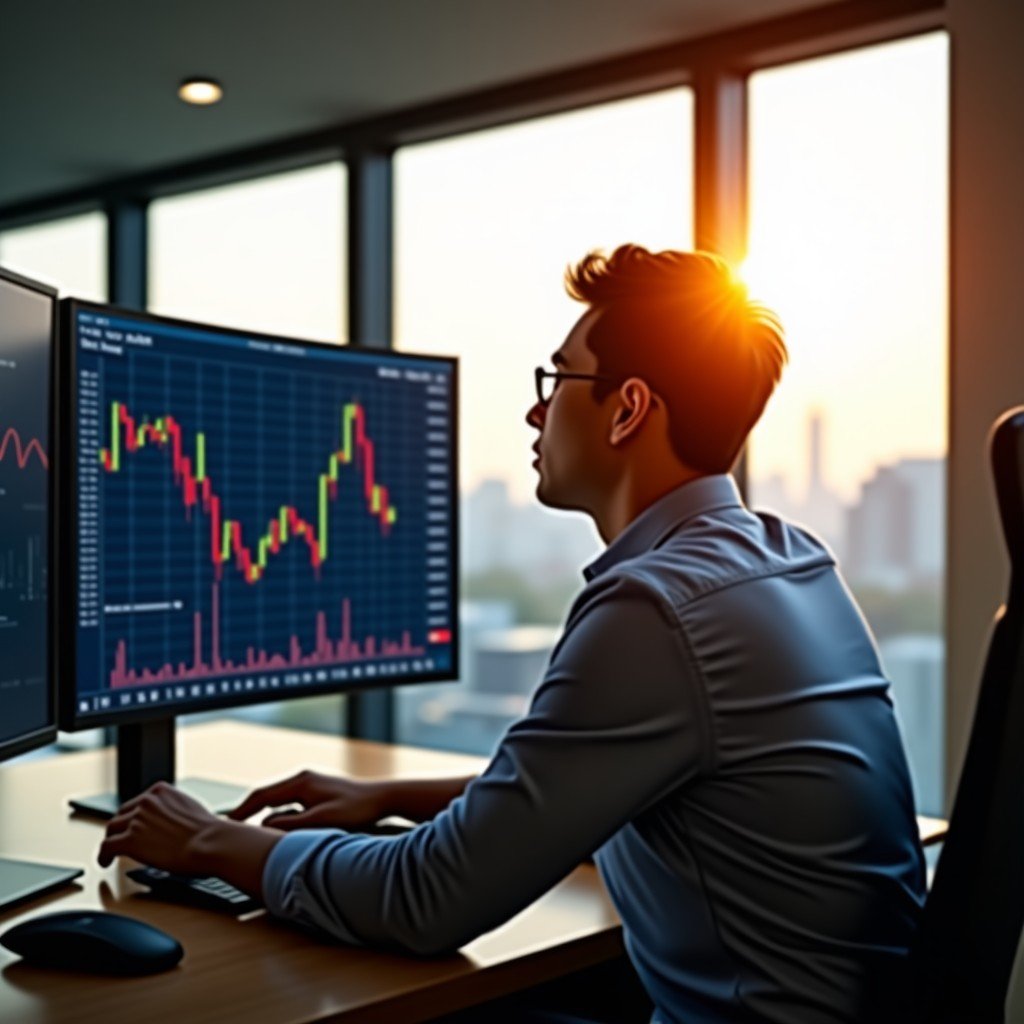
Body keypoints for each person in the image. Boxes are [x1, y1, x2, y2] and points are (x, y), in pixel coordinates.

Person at [98, 246, 926, 1024]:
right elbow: (605, 778)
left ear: (628, 409)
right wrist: (390, 797)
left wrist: (210, 840)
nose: (535, 408)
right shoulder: (789, 559)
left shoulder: (656, 611)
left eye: (558, 378)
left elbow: (426, 900)